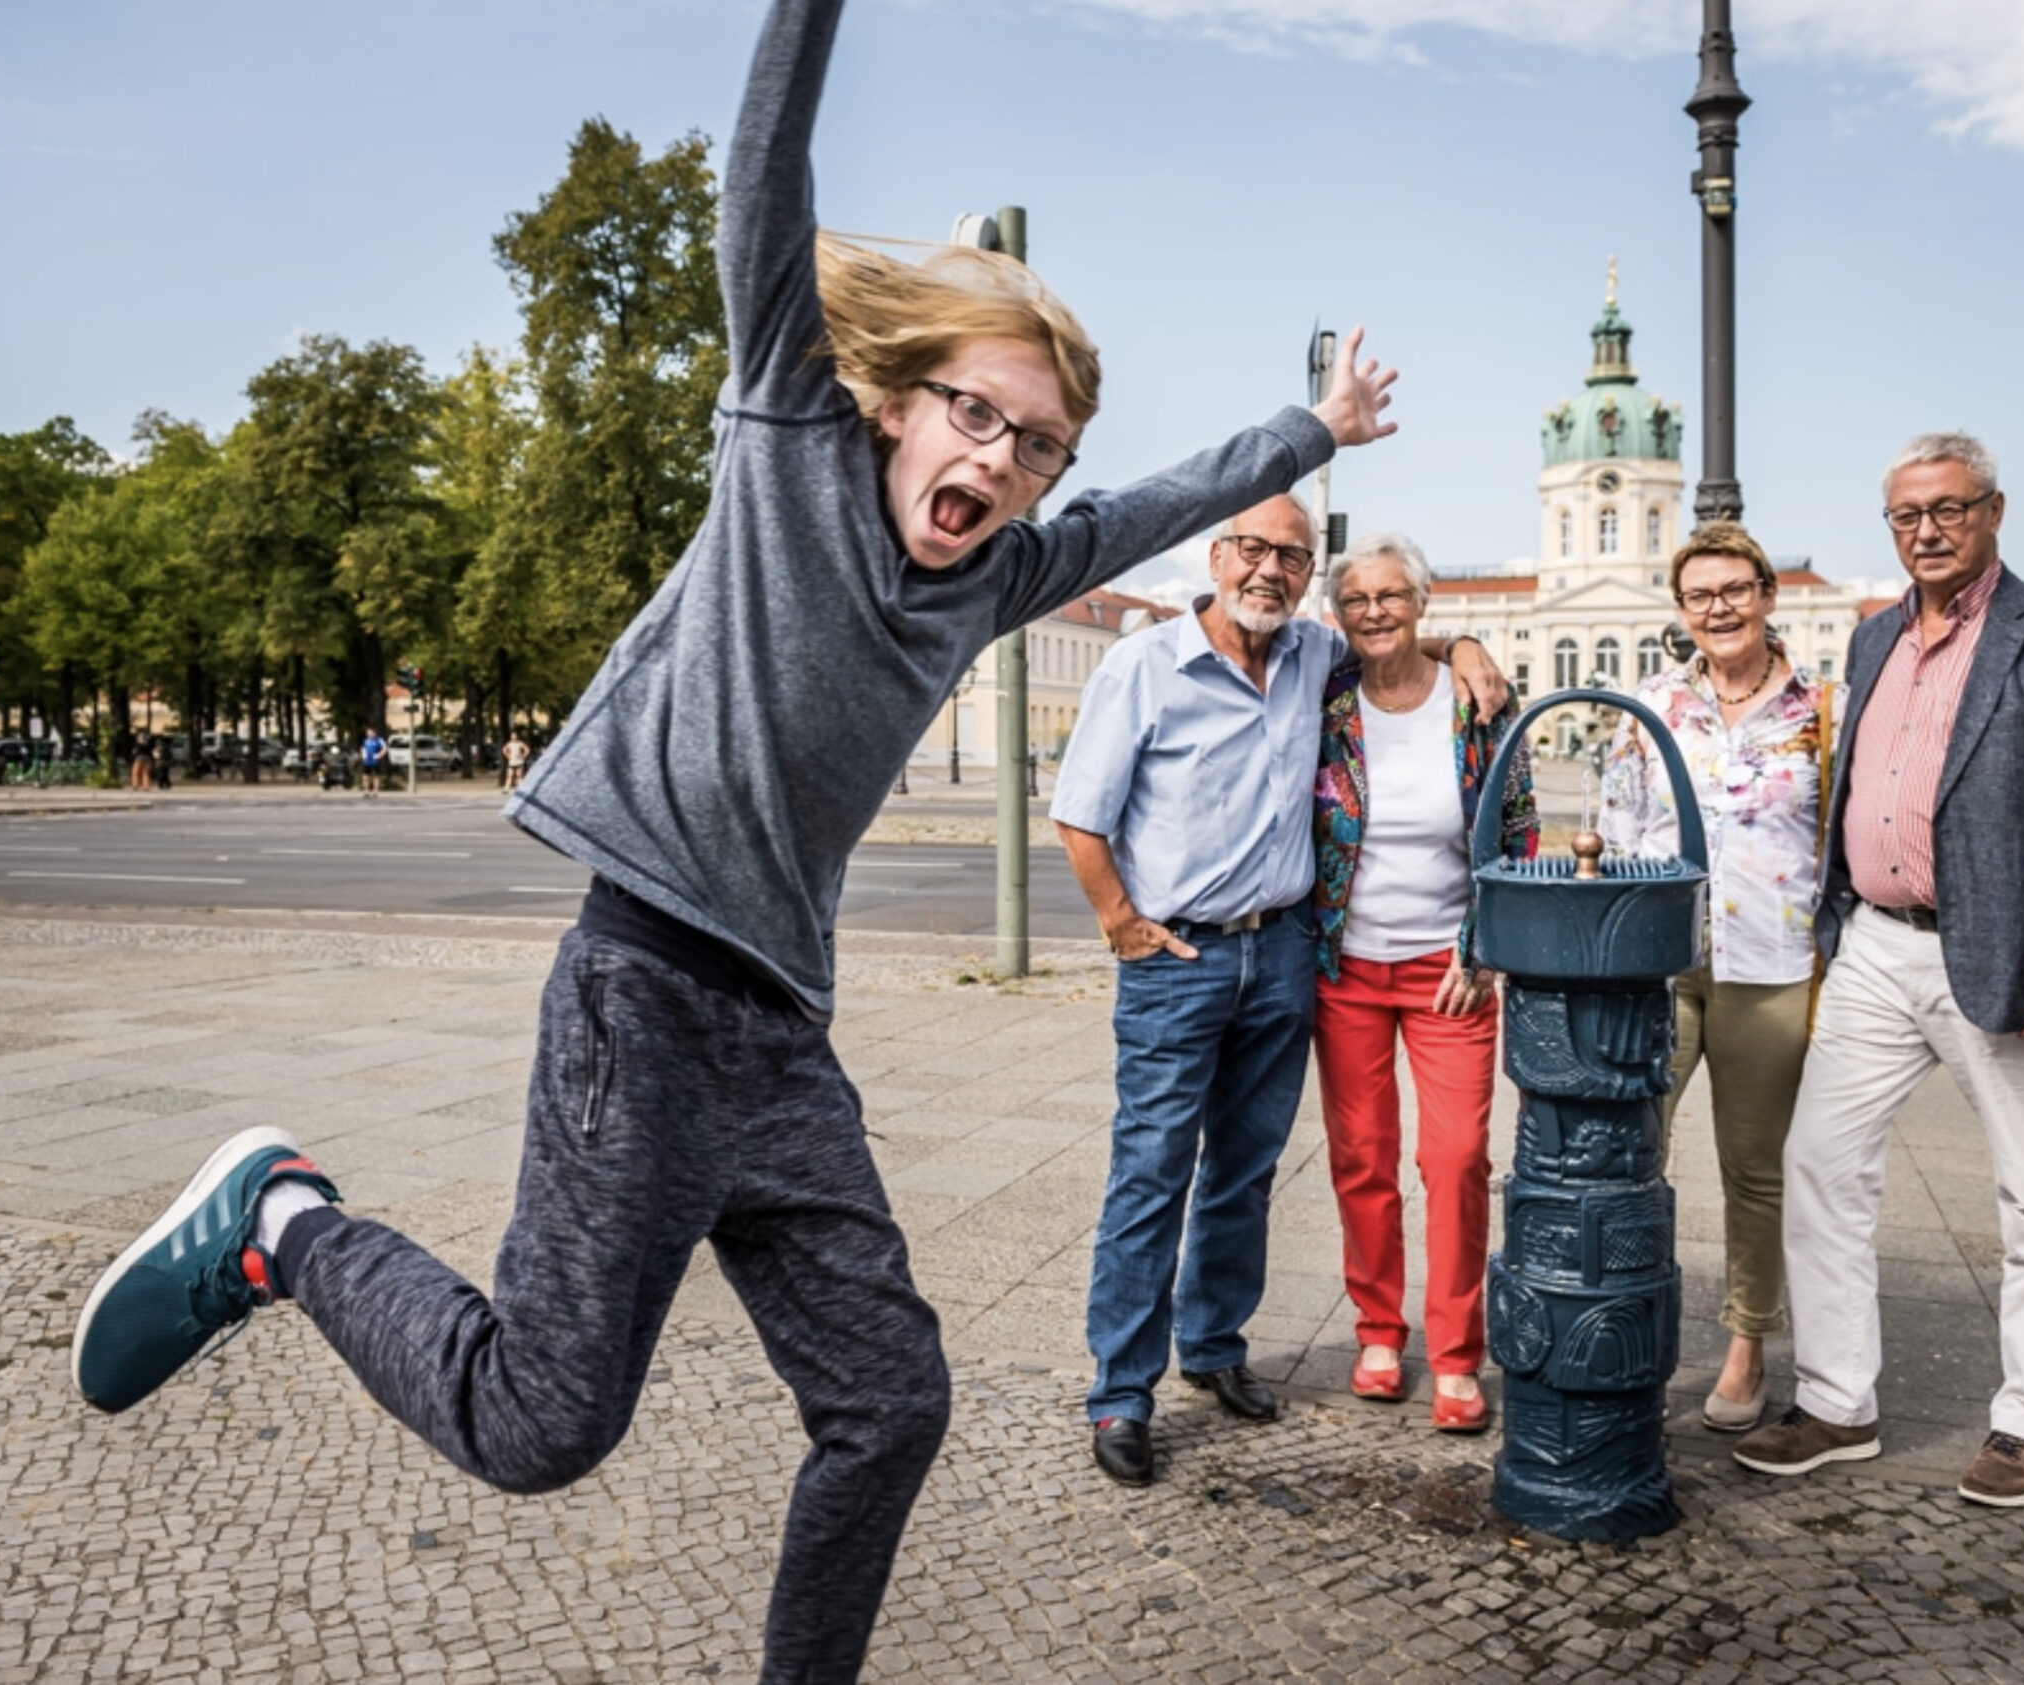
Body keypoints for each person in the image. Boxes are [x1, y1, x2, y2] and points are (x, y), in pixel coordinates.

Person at [68, 1, 1407, 1677]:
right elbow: (761, 175)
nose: (999, 458)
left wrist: (1314, 432)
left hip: (779, 1038)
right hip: (641, 1001)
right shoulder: (785, 430)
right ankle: (283, 1225)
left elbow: (1162, 506)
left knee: (891, 1405)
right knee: (538, 1422)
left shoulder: (996, 581)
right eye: (976, 415)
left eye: (1036, 443)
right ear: (904, 403)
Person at [1053, 498, 1506, 1488]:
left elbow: (1394, 636)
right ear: (1214, 556)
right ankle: (1121, 1389)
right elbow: (1079, 816)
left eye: (1289, 556)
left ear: (1307, 576)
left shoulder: (1312, 657)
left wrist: (1464, 640)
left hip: (1288, 952)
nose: (1268, 569)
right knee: (1151, 1170)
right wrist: (1123, 924)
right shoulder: (1143, 665)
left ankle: (1213, 1345)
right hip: (1179, 959)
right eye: (1250, 549)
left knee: (1245, 1169)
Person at [1731, 432, 2024, 1510]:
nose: (1926, 530)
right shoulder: (1871, 640)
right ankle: (1836, 1400)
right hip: (1873, 942)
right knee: (1818, 1163)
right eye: (1907, 515)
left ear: (1991, 511)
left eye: (1947, 510)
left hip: (2000, 952)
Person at [1599, 520, 1825, 1434]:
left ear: (1767, 593)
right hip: (1663, 962)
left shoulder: (1820, 710)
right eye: (1700, 595)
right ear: (1683, 609)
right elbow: (1616, 831)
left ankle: (1747, 1344)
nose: (1719, 607)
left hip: (1772, 964)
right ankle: (1619, 1318)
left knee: (1754, 1166)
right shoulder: (1654, 706)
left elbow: (1837, 842)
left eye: (1735, 589)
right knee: (1626, 1148)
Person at [1309, 533, 1533, 1433]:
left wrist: (1486, 952)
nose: (1373, 611)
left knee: (1454, 1162)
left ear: (1422, 603)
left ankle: (1454, 1352)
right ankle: (1375, 1329)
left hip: (1453, 975)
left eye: (1391, 595)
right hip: (1347, 970)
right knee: (1361, 1157)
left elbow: (1517, 836)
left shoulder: (1477, 707)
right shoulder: (1326, 702)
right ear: (1339, 612)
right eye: (1356, 598)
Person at [357, 727, 386, 797]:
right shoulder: (365, 740)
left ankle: (375, 792)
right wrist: (362, 756)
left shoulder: (379, 740)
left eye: (371, 733)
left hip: (375, 761)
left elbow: (385, 748)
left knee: (376, 776)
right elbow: (362, 748)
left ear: (374, 733)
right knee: (366, 776)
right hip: (367, 761)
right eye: (368, 733)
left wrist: (379, 755)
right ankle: (366, 791)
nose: (369, 734)